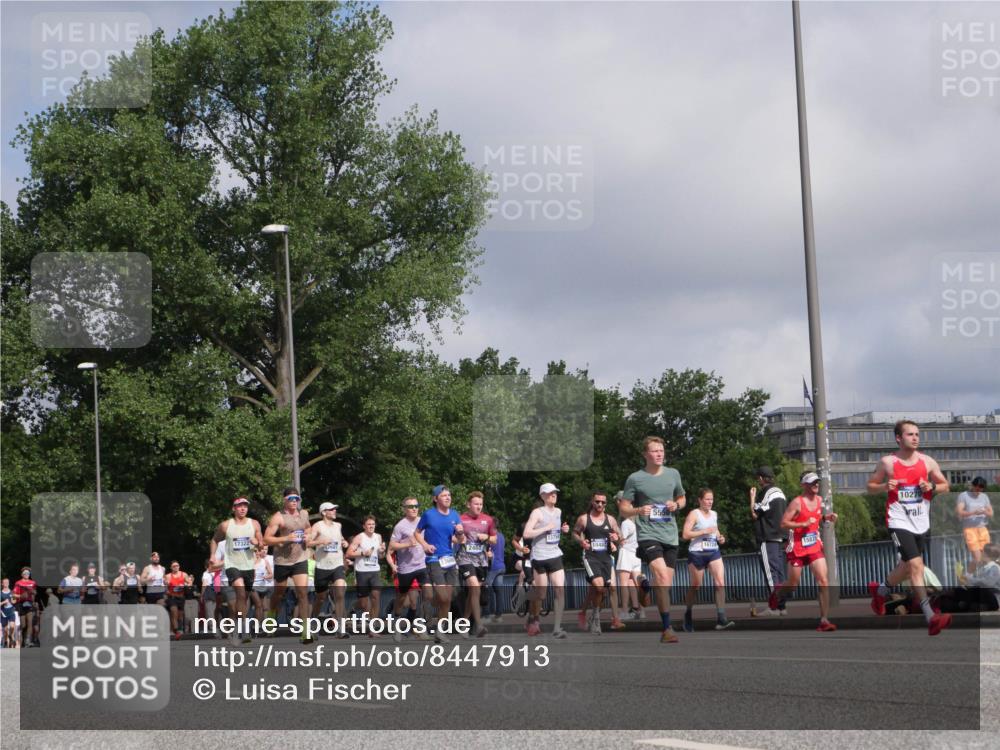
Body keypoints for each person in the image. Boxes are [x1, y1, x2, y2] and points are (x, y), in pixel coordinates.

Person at [867, 419, 952, 636]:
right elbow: (870, 486)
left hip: (921, 522)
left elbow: (945, 487)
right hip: (898, 521)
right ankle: (930, 616)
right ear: (898, 438)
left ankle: (881, 591)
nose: (915, 438)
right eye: (909, 434)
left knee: (906, 568)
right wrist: (885, 486)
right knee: (916, 566)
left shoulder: (928, 462)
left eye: (917, 434)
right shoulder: (888, 462)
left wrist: (932, 486)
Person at [618, 437, 687, 644]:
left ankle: (644, 587)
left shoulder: (673, 474)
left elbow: (682, 498)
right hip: (648, 534)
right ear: (645, 454)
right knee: (662, 578)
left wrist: (677, 505)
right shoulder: (635, 479)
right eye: (655, 451)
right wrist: (639, 509)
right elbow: (623, 507)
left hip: (670, 535)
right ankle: (667, 629)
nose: (659, 454)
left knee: (664, 583)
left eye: (662, 450)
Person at [767, 473, 839, 632]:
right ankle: (777, 593)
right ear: (804, 485)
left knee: (823, 581)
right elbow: (783, 523)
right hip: (797, 547)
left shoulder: (820, 500)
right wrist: (803, 523)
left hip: (814, 545)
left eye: (817, 482)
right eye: (812, 483)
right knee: (793, 585)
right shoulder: (797, 503)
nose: (816, 485)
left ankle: (824, 620)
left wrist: (827, 517)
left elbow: (817, 518)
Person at [212, 496, 264, 644]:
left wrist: (257, 542)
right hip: (231, 565)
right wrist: (212, 556)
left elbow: (261, 543)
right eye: (239, 506)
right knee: (240, 593)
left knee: (243, 599)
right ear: (234, 508)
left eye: (245, 506)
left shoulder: (254, 524)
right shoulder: (225, 525)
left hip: (248, 566)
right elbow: (214, 540)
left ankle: (237, 627)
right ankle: (242, 629)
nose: (242, 508)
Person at [681, 488, 735, 632]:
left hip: (713, 551)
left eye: (711, 499)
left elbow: (715, 530)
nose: (710, 502)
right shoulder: (694, 514)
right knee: (696, 586)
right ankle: (688, 614)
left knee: (720, 583)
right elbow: (685, 534)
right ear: (700, 500)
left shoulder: (714, 514)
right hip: (697, 553)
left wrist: (720, 537)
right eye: (707, 499)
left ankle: (721, 618)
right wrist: (703, 532)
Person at [415, 485, 464, 643]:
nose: (448, 498)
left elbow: (461, 540)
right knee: (443, 596)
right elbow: (416, 533)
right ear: (435, 499)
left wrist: (461, 533)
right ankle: (427, 604)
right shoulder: (429, 515)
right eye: (444, 495)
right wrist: (425, 545)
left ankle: (440, 631)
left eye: (449, 495)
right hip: (433, 559)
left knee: (449, 598)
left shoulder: (455, 515)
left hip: (449, 559)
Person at [263, 488, 312, 643]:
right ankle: (271, 615)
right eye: (291, 499)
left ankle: (305, 632)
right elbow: (267, 539)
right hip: (282, 560)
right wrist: (286, 538)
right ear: (284, 500)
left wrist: (307, 536)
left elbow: (309, 528)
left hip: (300, 558)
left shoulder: (304, 514)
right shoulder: (278, 517)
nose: (294, 501)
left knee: (302, 593)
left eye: (296, 499)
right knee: (279, 593)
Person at [523, 483, 570, 638]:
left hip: (555, 554)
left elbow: (554, 533)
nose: (553, 495)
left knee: (559, 589)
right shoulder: (537, 513)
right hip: (539, 556)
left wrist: (563, 530)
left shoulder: (559, 511)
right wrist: (545, 528)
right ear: (542, 496)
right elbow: (527, 533)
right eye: (550, 493)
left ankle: (557, 628)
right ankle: (533, 618)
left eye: (555, 492)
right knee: (541, 594)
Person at [574, 491, 625, 634]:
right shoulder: (584, 519)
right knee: (599, 587)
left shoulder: (611, 520)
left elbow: (620, 537)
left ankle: (607, 618)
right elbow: (575, 533)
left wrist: (616, 538)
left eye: (603, 502)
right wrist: (581, 541)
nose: (600, 504)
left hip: (606, 558)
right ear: (592, 502)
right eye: (597, 501)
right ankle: (596, 617)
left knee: (608, 588)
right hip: (591, 557)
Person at [458, 491, 497, 638]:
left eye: (481, 504)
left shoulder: (488, 520)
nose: (479, 506)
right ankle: (479, 625)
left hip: (481, 561)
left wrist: (486, 536)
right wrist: (459, 539)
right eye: (476, 504)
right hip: (464, 559)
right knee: (474, 587)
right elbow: (453, 538)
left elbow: (494, 539)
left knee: (474, 593)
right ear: (469, 504)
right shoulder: (461, 519)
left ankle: (463, 623)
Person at [749, 466, 787, 616]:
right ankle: (782, 606)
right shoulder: (781, 493)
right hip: (779, 537)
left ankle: (774, 607)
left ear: (760, 478)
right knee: (779, 572)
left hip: (767, 536)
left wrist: (752, 498)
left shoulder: (767, 492)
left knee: (770, 572)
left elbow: (754, 513)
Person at [307, 502, 348, 635]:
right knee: (321, 598)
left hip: (337, 565)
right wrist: (320, 542)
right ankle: (314, 619)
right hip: (322, 567)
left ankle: (340, 628)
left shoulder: (338, 525)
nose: (335, 511)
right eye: (332, 509)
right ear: (324, 512)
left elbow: (340, 539)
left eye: (335, 509)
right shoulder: (317, 526)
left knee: (340, 593)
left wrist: (344, 542)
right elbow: (308, 542)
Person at [347, 515, 385, 638]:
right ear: (364, 526)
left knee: (375, 597)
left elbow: (381, 557)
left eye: (373, 524)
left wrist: (382, 551)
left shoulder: (378, 537)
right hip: (362, 571)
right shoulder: (359, 537)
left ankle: (372, 627)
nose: (371, 526)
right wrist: (363, 553)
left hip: (374, 570)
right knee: (363, 603)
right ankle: (353, 607)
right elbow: (349, 553)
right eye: (369, 524)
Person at [936, 542, 1000, 613]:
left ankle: (965, 604)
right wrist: (966, 578)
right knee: (961, 590)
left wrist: (969, 580)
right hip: (984, 596)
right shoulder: (983, 568)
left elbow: (988, 583)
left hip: (992, 598)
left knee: (976, 592)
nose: (981, 554)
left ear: (986, 554)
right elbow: (975, 582)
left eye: (982, 552)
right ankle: (961, 603)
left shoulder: (994, 568)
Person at [615, 491, 645, 620]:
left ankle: (624, 611)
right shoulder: (638, 519)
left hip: (626, 553)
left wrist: (614, 539)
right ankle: (640, 610)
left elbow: (621, 540)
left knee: (623, 583)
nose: (616, 503)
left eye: (617, 501)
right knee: (634, 583)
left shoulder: (626, 522)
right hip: (636, 553)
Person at [957, 477, 993, 573]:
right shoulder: (964, 495)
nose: (979, 491)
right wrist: (973, 512)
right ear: (973, 486)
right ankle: (967, 576)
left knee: (987, 558)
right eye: (977, 488)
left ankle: (984, 580)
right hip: (970, 529)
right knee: (977, 558)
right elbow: (960, 512)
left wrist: (985, 511)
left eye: (981, 489)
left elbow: (991, 513)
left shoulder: (984, 497)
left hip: (983, 528)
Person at [484, 528, 507, 623]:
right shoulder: (501, 536)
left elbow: (487, 552)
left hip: (492, 567)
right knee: (499, 592)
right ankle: (498, 616)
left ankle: (487, 615)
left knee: (486, 590)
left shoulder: (490, 537)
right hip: (501, 566)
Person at [12, 568, 37, 647]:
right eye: (25, 573)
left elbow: (34, 593)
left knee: (30, 623)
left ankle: (27, 640)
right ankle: (22, 640)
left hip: (29, 604)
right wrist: (21, 596)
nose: (27, 574)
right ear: (22, 574)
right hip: (21, 604)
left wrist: (33, 593)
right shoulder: (18, 583)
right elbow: (13, 594)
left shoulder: (33, 582)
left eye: (28, 573)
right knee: (23, 625)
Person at [165, 561, 188, 639]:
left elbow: (189, 583)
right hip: (172, 598)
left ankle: (179, 630)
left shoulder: (184, 574)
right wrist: (167, 588)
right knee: (174, 612)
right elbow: (165, 587)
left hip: (181, 598)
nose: (176, 567)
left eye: (177, 566)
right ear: (171, 568)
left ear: (179, 566)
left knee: (180, 616)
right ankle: (176, 631)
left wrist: (185, 584)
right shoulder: (168, 576)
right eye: (174, 566)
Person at [251, 547, 273, 623]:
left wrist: (265, 576)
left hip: (262, 586)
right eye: (255, 551)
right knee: (258, 604)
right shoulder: (250, 562)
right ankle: (254, 624)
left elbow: (271, 574)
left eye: (258, 551)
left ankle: (258, 624)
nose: (257, 552)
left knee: (262, 607)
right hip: (253, 586)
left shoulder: (265, 561)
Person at [2, 578, 18, 648]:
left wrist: (13, 600)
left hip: (11, 611)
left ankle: (11, 635)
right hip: (3, 613)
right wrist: (3, 602)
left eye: (7, 582)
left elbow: (14, 602)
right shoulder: (0, 593)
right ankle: (5, 641)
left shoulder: (12, 592)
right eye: (5, 582)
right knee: (5, 630)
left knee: (12, 626)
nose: (6, 583)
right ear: (2, 584)